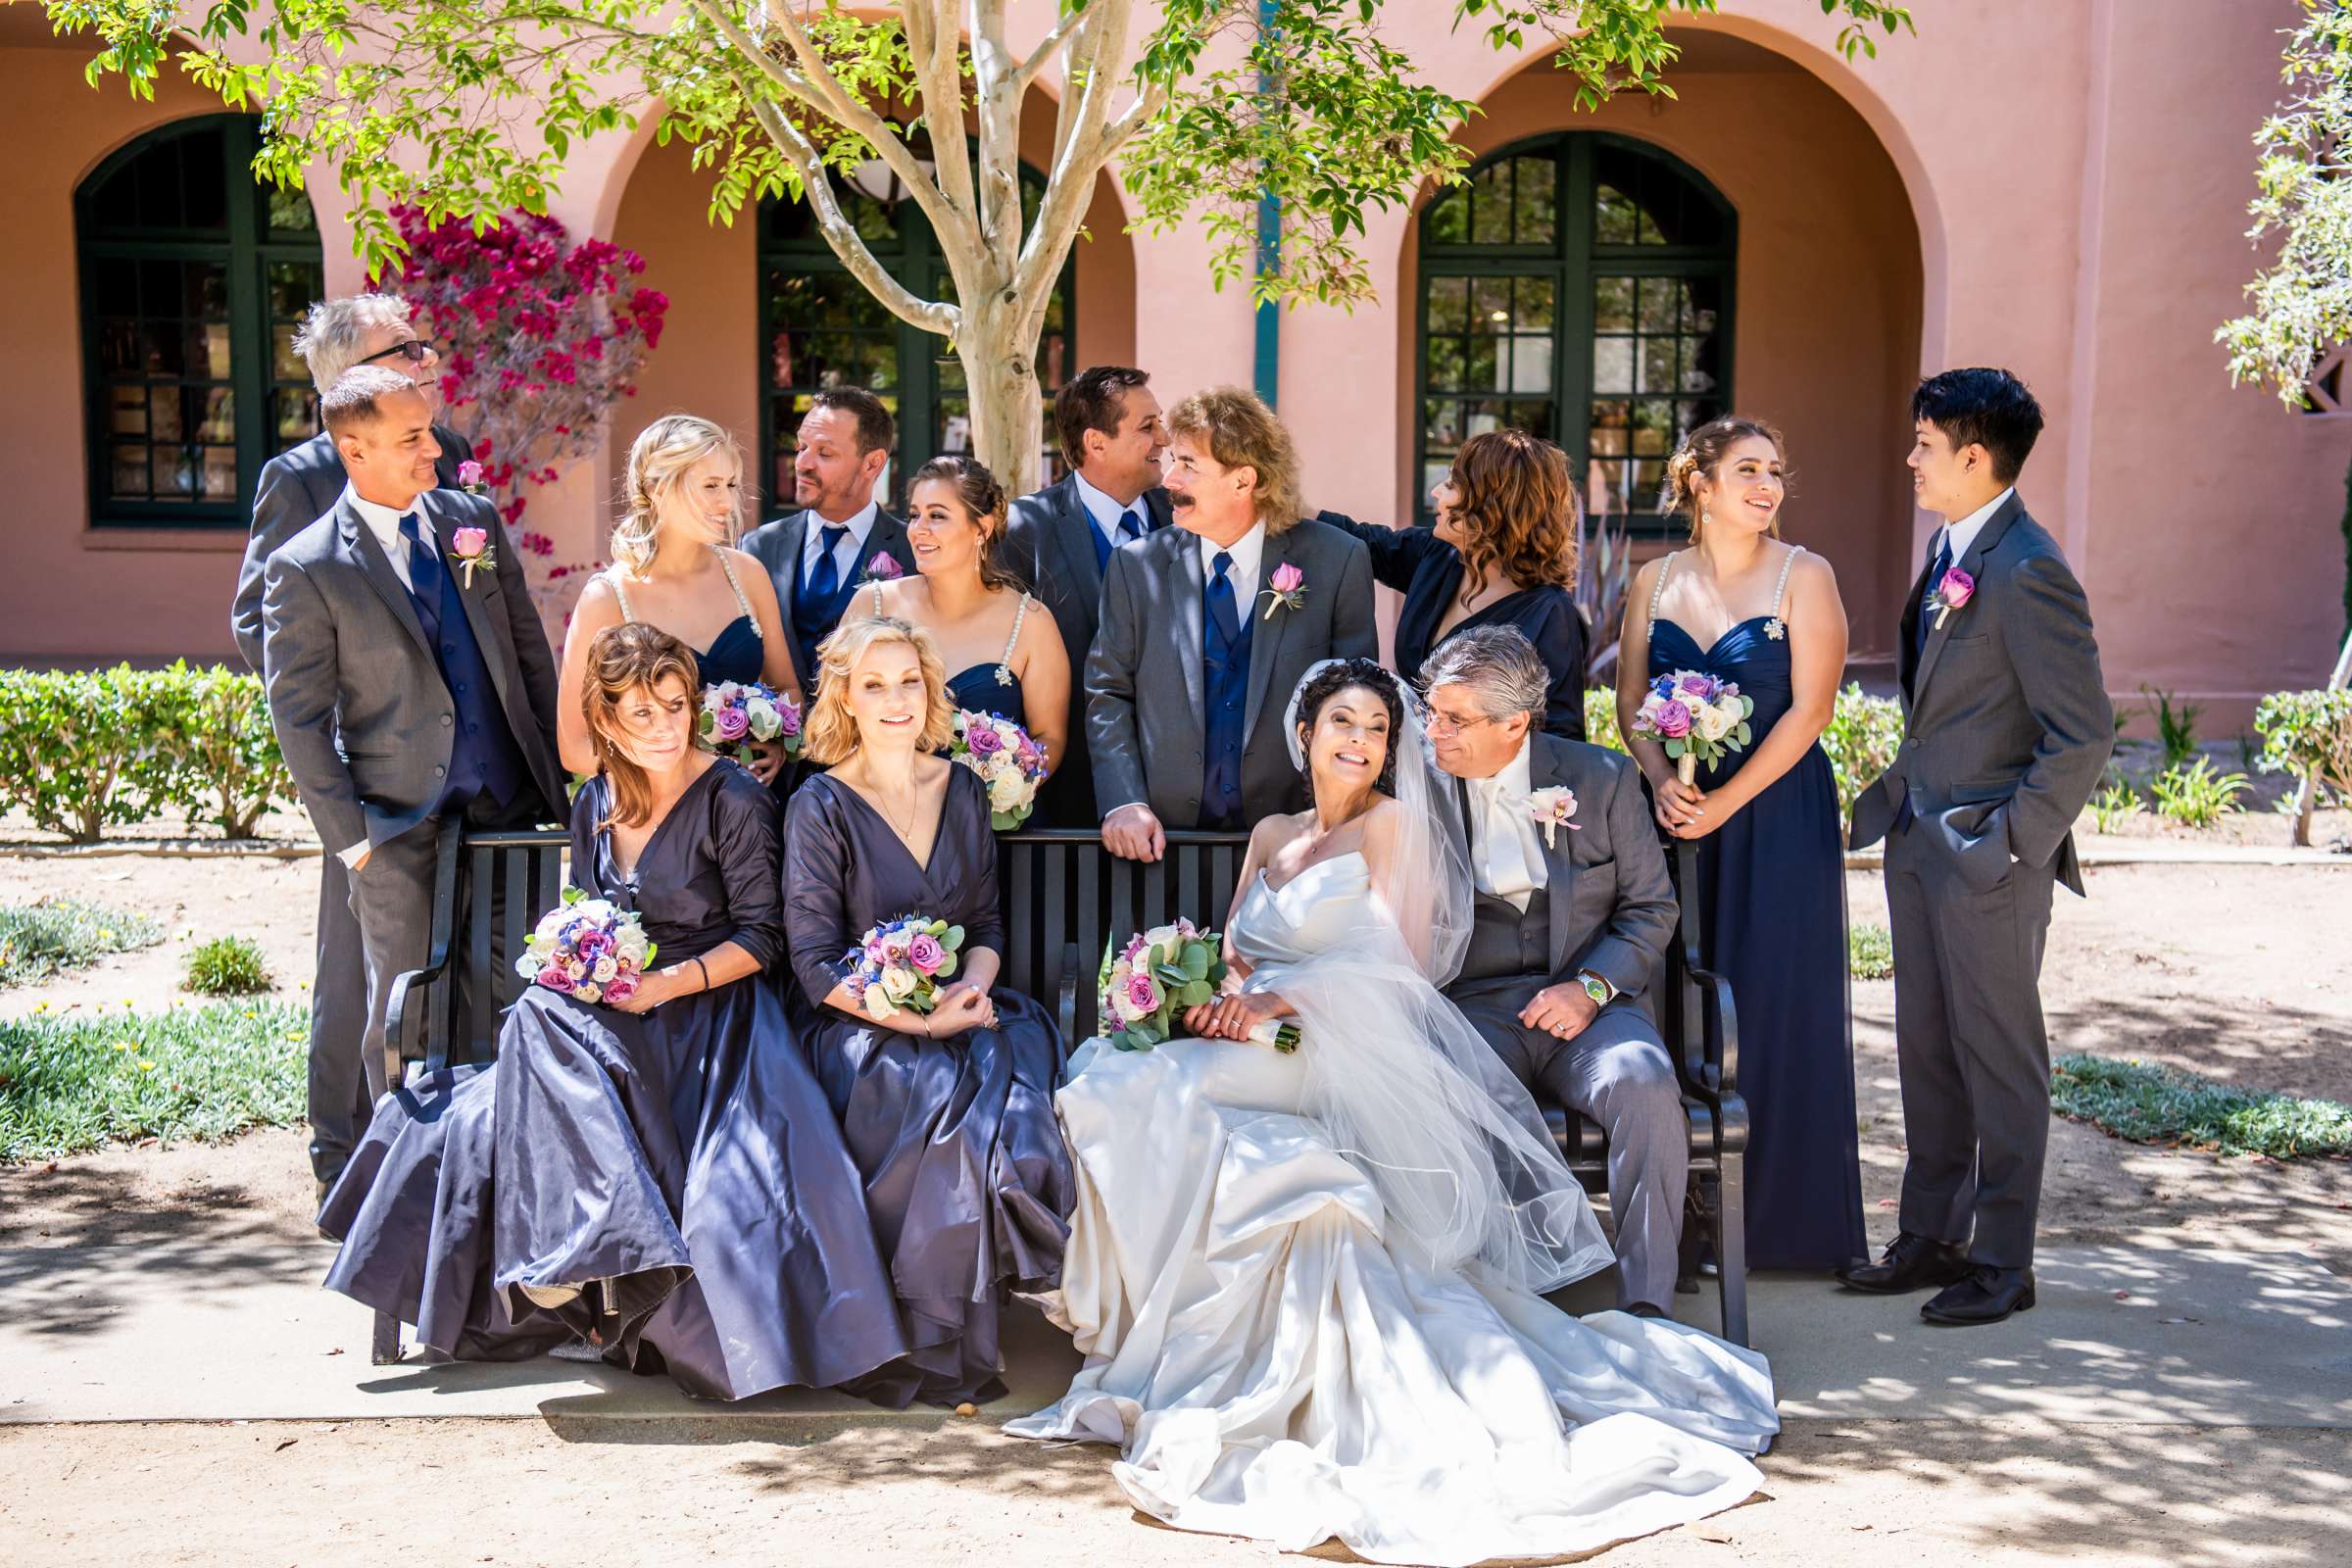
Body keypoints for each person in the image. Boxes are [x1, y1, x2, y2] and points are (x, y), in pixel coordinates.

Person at [1008, 658, 1776, 1564]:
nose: (1363, 742)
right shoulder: (1269, 835)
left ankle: (1647, 1307)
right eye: (1343, 723)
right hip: (1269, 1034)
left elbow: (1397, 971)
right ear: (1306, 734)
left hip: (1331, 1039)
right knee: (1111, 1073)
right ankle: (1150, 1329)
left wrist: (1275, 1008)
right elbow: (1239, 953)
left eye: (1379, 729)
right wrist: (1202, 992)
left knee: (1160, 1090)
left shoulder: (1401, 824)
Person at [321, 624, 907, 1398]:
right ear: (604, 721)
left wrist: (666, 984)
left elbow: (764, 939)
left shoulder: (732, 797)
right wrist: (579, 960)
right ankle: (593, 1263)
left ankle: (587, 1270)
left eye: (674, 706)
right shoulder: (595, 800)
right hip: (612, 1015)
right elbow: (589, 915)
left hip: (711, 1019)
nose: (664, 727)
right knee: (483, 1086)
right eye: (641, 713)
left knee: (530, 1023)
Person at [1844, 368, 2112, 1326]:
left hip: (1988, 857)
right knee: (1927, 1052)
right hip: (1920, 841)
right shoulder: (1952, 549)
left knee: (1999, 1058)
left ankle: (2003, 1261)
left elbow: (2081, 734)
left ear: (1974, 455)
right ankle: (1931, 1234)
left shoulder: (2030, 568)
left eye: (1924, 444)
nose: (1910, 458)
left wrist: (2009, 846)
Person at [261, 366, 565, 1200]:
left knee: (522, 1005)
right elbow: (298, 716)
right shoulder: (308, 566)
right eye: (410, 439)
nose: (435, 449)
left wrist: (562, 778)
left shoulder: (471, 522)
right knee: (406, 1020)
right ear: (352, 451)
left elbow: (530, 656)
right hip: (397, 829)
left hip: (511, 809)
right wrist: (352, 841)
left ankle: (516, 1198)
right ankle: (413, 1213)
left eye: (430, 430)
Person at [782, 616, 1073, 1407]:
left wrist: (970, 992)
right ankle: (911, 1336)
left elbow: (984, 928)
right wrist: (915, 1021)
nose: (896, 700)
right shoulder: (820, 804)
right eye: (874, 685)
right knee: (919, 1096)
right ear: (845, 696)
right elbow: (813, 965)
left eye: (909, 680)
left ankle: (969, 1321)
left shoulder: (964, 788)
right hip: (858, 1026)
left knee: (1008, 1097)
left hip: (963, 1005)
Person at [231, 292, 477, 1198]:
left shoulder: (442, 458)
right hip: (362, 769)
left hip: (455, 760)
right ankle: (342, 1152)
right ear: (348, 381)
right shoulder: (297, 477)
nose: (426, 356)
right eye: (402, 347)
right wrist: (339, 736)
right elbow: (261, 615)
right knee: (356, 970)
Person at [1616, 416, 1867, 1277]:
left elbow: (1812, 712)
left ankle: (1781, 1227)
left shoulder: (1807, 576)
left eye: (1776, 471)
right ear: (1700, 482)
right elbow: (1628, 703)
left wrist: (1726, 800)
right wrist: (1659, 780)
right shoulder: (1654, 579)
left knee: (1772, 996)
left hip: (1774, 813)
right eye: (1748, 470)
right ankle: (1682, 1228)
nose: (1768, 486)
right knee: (1679, 996)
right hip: (1678, 818)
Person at [1420, 627, 1689, 1312]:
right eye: (1432, 711)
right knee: (1444, 1091)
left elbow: (1652, 909)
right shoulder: (1415, 789)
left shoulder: (1601, 778)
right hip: (1473, 1009)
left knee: (1646, 1085)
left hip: (1592, 1006)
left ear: (1515, 723)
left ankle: (1647, 1306)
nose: (1434, 731)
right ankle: (1482, 1305)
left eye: (1455, 719)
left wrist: (1592, 987)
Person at [1085, 386, 1376, 859]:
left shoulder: (1336, 560)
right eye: (1172, 461)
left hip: (1295, 845)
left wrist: (1332, 822)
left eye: (1188, 465)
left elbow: (1357, 704)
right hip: (1161, 846)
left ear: (1244, 481)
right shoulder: (1136, 567)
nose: (1168, 480)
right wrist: (1125, 801)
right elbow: (1108, 692)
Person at [558, 416, 798, 784]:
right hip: (660, 818)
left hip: (753, 808)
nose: (728, 502)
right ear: (657, 488)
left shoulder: (748, 575)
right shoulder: (606, 598)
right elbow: (574, 745)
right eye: (711, 485)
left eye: (732, 484)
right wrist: (681, 765)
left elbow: (787, 688)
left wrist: (778, 742)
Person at [1320, 427, 1588, 740]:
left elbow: (1560, 737)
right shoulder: (1438, 557)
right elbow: (1356, 540)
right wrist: (1279, 505)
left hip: (1484, 785)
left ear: (1490, 507)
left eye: (1450, 484)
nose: (1436, 493)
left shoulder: (1549, 616)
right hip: (1407, 774)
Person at [1004, 366, 1173, 825]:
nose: (1165, 438)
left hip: (1175, 793)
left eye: (1160, 422)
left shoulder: (1185, 519)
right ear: (1096, 443)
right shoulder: (1024, 529)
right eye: (1148, 427)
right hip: (1065, 792)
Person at [863, 456, 1070, 768]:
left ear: (982, 529)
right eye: (915, 515)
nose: (918, 529)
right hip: (879, 810)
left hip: (989, 813)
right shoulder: (873, 604)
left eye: (937, 516)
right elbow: (835, 715)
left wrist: (1009, 791)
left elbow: (1049, 736)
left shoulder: (1030, 622)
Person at [739, 388, 919, 701]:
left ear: (872, 465)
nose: (802, 463)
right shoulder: (757, 548)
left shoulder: (912, 551)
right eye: (802, 447)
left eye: (824, 453)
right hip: (774, 743)